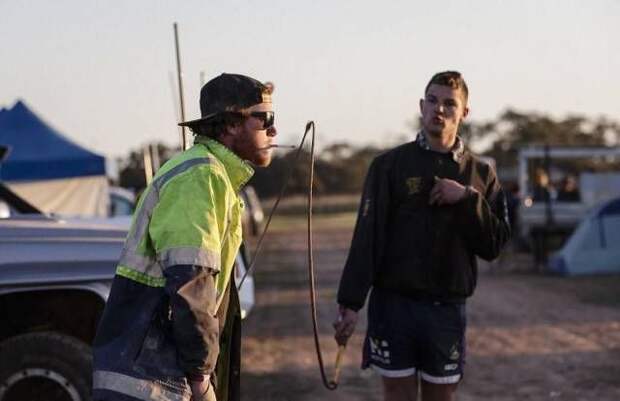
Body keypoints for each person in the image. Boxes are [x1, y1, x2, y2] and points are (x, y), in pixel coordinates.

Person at [92, 73, 277, 401]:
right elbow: (191, 281)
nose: (274, 130)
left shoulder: (210, 175)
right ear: (232, 124)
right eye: (265, 118)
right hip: (152, 379)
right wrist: (200, 375)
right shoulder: (199, 176)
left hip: (153, 373)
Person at [333, 71, 510, 401]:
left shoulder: (481, 174)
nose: (438, 110)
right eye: (432, 101)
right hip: (393, 306)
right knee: (397, 394)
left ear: (464, 113)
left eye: (449, 104)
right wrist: (350, 302)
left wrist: (468, 199)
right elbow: (367, 237)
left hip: (446, 308)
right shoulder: (388, 166)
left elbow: (494, 245)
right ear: (420, 105)